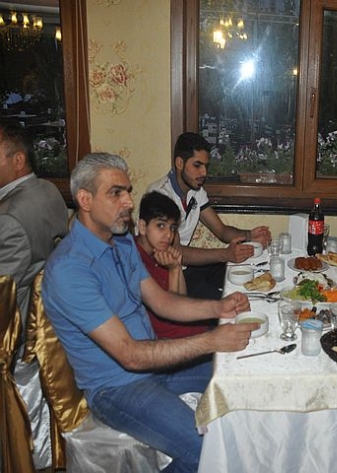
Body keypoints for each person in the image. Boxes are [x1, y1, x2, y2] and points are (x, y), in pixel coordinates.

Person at [42, 153, 255, 473]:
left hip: (156, 364)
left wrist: (219, 307)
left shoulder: (122, 242)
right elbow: (130, 355)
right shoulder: (70, 269)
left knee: (243, 377)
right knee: (206, 450)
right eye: (116, 193)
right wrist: (212, 340)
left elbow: (162, 302)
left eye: (128, 191)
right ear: (85, 200)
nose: (129, 202)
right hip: (118, 388)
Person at [0, 119, 68, 468]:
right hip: (51, 324)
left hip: (18, 338)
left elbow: (3, 292)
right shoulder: (48, 191)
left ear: (18, 160)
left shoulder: (9, 216)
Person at [147, 132, 271, 300]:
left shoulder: (195, 190)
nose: (204, 172)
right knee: (228, 300)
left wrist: (250, 235)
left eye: (205, 166)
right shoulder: (160, 196)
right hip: (167, 275)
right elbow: (176, 251)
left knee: (245, 273)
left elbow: (221, 231)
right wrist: (224, 254)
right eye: (197, 165)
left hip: (187, 267)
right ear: (179, 163)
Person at [135, 190, 209, 339]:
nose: (168, 235)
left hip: (190, 328)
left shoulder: (160, 252)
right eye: (161, 226)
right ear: (142, 227)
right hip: (171, 340)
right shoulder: (134, 258)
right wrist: (174, 270)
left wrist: (177, 266)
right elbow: (171, 313)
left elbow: (182, 299)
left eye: (172, 228)